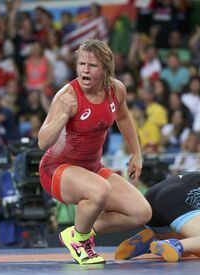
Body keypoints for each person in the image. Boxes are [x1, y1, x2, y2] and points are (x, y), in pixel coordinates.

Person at [38, 39, 151, 265]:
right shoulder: (67, 96)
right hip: (56, 169)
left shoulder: (116, 89)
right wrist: (63, 115)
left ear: (106, 68)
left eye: (92, 66)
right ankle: (79, 241)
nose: (84, 71)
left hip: (92, 169)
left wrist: (136, 153)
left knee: (141, 212)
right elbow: (42, 142)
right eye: (81, 64)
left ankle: (78, 233)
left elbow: (124, 118)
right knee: (101, 190)